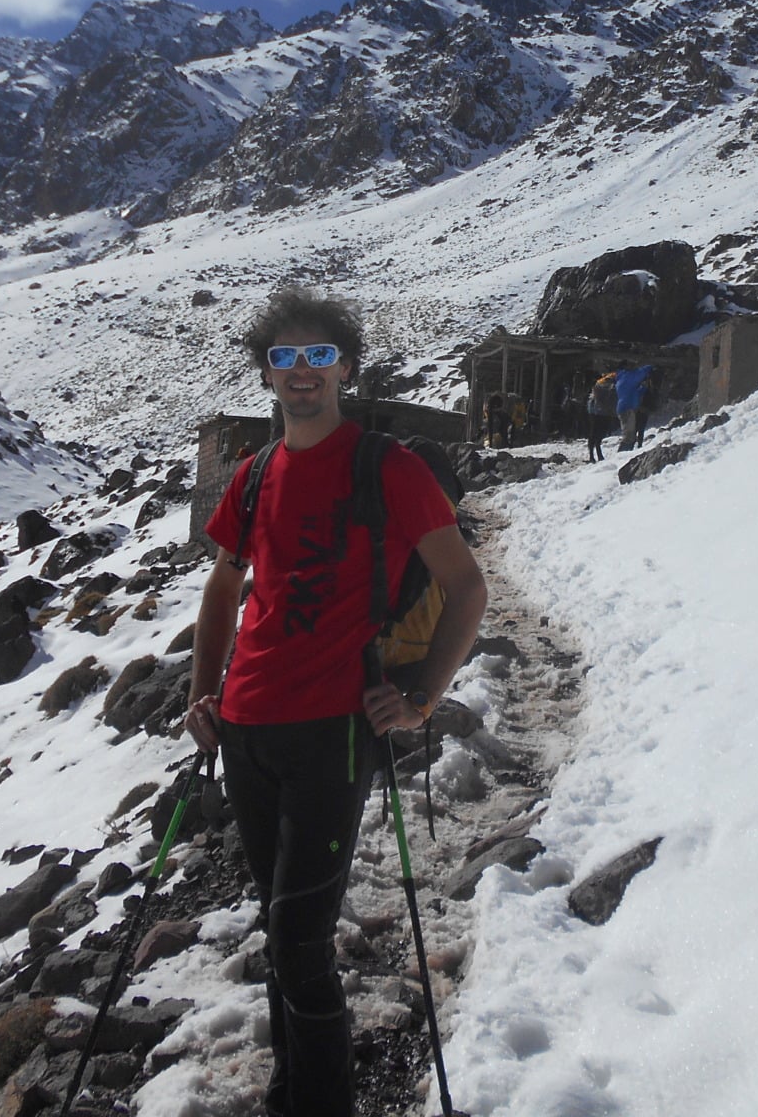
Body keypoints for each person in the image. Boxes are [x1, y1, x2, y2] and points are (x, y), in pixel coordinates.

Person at [186, 288, 488, 1117]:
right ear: (267, 376)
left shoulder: (386, 467)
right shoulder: (251, 478)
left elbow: (466, 586)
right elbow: (222, 584)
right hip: (246, 729)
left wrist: (423, 694)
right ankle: (294, 1089)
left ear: (345, 368)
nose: (302, 372)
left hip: (333, 733)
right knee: (280, 932)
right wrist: (202, 693)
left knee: (297, 939)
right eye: (285, 357)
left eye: (318, 356)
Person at [614, 364, 653, 451]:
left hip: (626, 408)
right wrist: (650, 367)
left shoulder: (622, 380)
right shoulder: (628, 378)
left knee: (630, 435)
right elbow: (640, 373)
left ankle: (625, 453)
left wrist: (643, 388)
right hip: (627, 409)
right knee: (628, 436)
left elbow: (634, 393)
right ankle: (621, 454)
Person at [586, 372, 616, 461]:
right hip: (600, 412)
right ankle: (594, 455)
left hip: (597, 412)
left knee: (596, 433)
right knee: (597, 433)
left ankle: (594, 454)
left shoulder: (599, 385)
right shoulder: (607, 387)